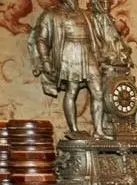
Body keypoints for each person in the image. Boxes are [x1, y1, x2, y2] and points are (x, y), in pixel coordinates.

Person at [27, 0, 106, 138]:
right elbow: (41, 39)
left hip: (87, 53)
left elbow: (98, 33)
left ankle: (99, 131)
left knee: (98, 92)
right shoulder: (52, 14)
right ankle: (74, 130)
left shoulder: (85, 14)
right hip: (69, 54)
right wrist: (45, 60)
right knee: (72, 91)